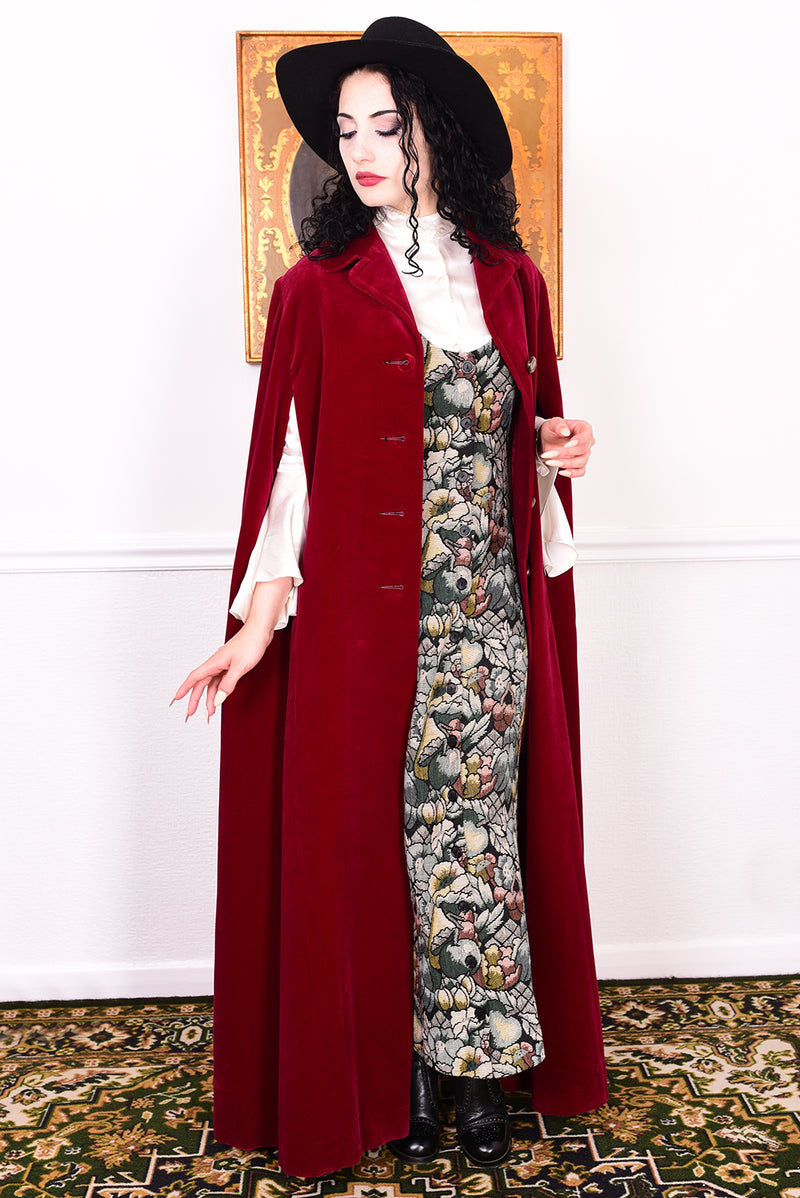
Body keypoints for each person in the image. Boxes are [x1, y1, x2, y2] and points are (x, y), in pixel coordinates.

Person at [173, 17, 606, 1179]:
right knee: (373, 845)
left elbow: (533, 431)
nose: (360, 148)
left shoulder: (511, 283)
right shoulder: (317, 291)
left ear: (435, 135)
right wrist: (255, 626)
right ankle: (397, 1073)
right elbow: (290, 479)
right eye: (345, 130)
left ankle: (476, 1077)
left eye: (386, 125)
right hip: (368, 632)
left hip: (486, 621)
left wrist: (562, 445)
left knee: (474, 846)